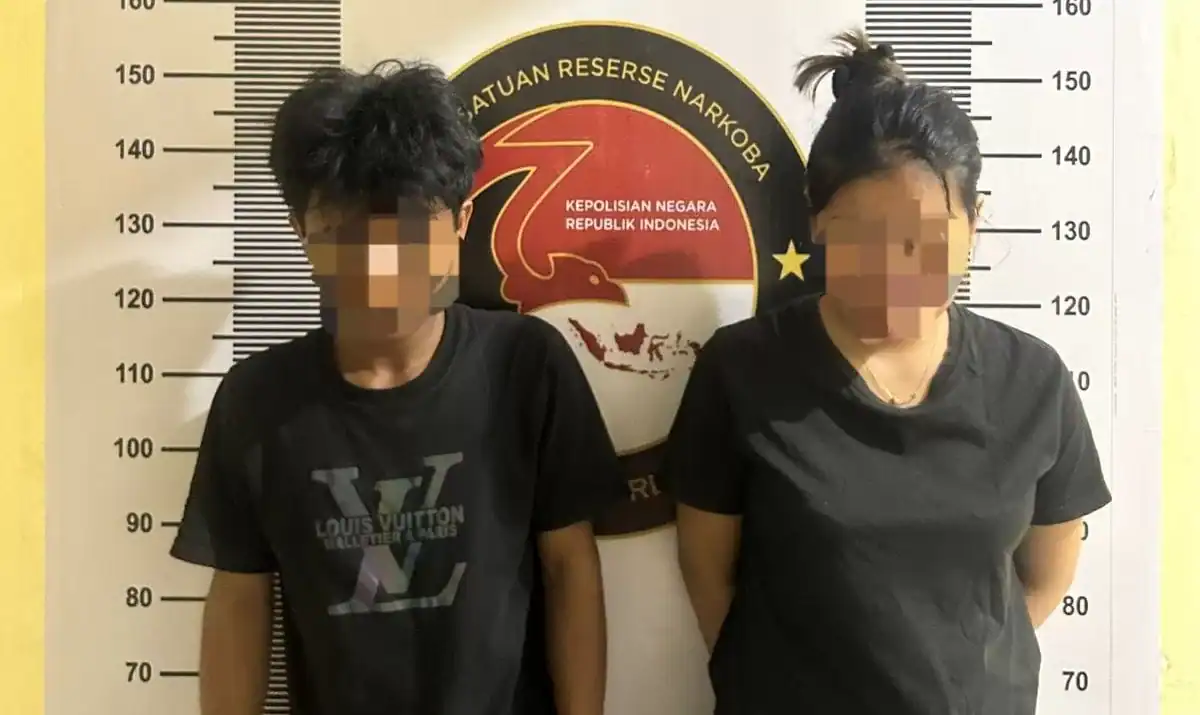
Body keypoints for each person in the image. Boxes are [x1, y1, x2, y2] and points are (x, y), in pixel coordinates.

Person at [663, 30, 1112, 715]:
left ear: (974, 224)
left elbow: (1045, 578)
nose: (893, 268)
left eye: (924, 239)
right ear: (817, 221)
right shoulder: (742, 370)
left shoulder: (1033, 381)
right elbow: (707, 574)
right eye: (861, 236)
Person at [169, 60, 621, 715]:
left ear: (461, 220)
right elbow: (240, 597)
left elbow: (570, 567)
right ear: (301, 232)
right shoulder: (257, 403)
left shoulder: (526, 367)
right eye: (343, 233)